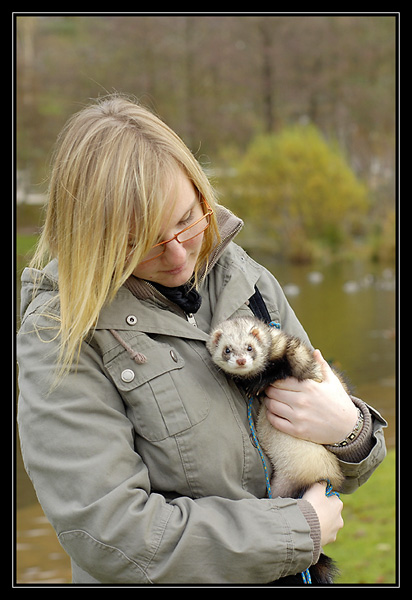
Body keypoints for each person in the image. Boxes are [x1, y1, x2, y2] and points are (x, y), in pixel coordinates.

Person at [17, 95, 386, 585]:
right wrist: (296, 532)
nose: (176, 255)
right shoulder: (59, 335)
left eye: (187, 219)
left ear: (200, 190)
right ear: (94, 235)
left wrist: (351, 432)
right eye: (141, 240)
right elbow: (109, 534)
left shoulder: (242, 275)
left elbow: (332, 454)